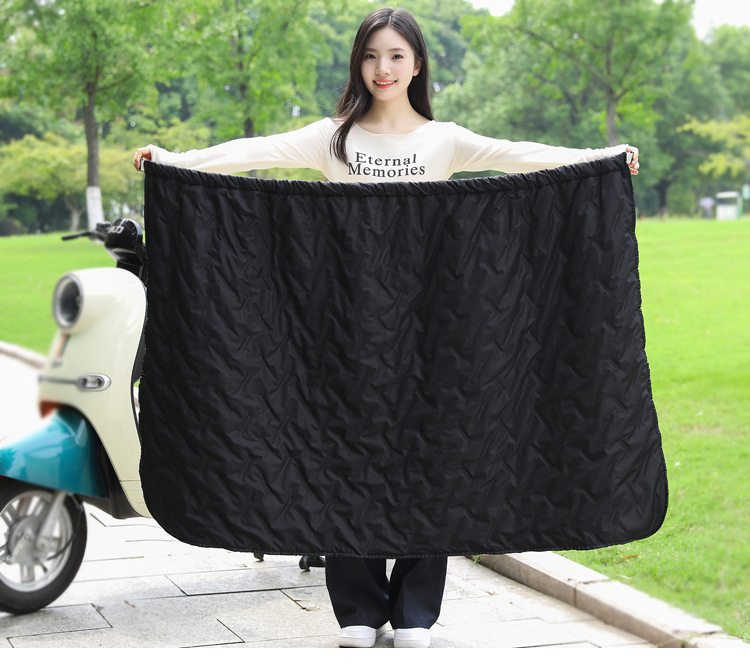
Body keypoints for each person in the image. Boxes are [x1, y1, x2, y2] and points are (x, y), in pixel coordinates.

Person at [134, 7, 640, 649]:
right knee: (343, 449)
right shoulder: (331, 138)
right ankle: (358, 610)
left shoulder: (444, 140)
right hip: (341, 324)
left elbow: (522, 158)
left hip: (432, 324)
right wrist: (173, 160)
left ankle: (416, 612)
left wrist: (603, 159)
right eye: (371, 55)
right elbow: (251, 153)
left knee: (434, 453)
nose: (383, 68)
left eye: (396, 55)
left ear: (417, 65)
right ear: (358, 63)